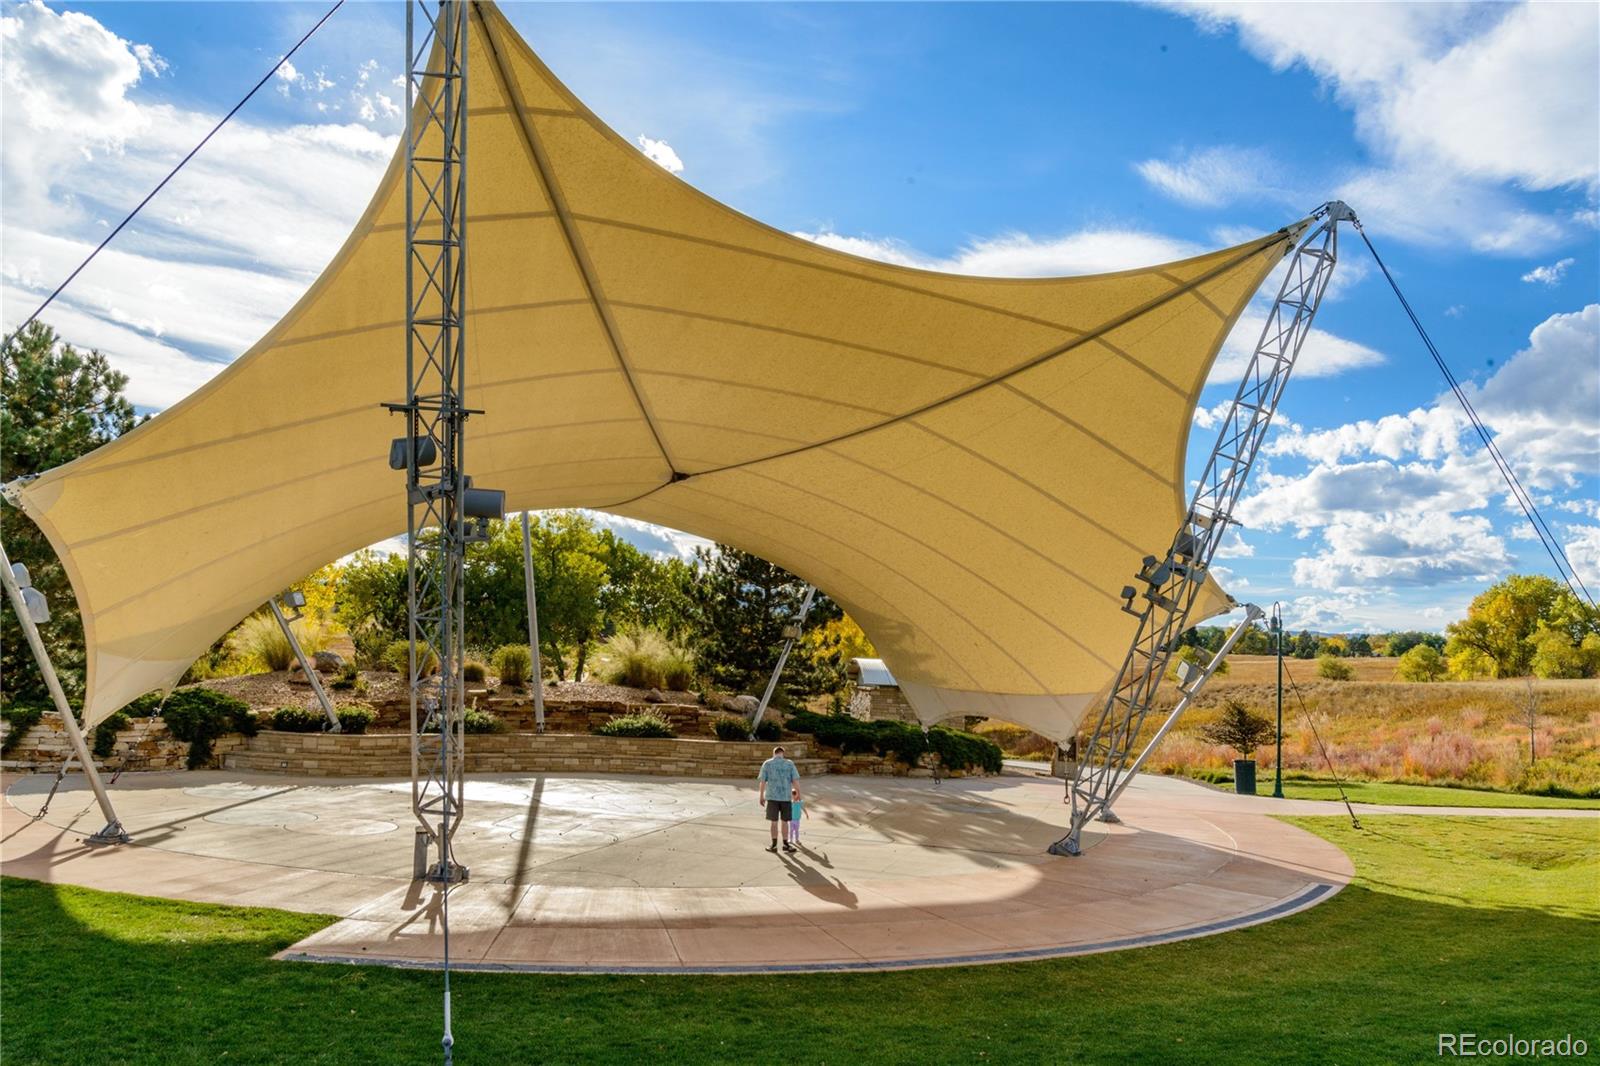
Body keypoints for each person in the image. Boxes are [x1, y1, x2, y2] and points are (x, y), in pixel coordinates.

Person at [756, 745, 799, 853]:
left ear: (774, 753)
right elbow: (795, 781)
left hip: (772, 797)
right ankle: (786, 844)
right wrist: (798, 794)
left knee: (774, 822)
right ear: (782, 753)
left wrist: (761, 796)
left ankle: (773, 845)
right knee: (785, 822)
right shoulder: (789, 763)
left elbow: (762, 782)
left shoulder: (767, 763)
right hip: (786, 798)